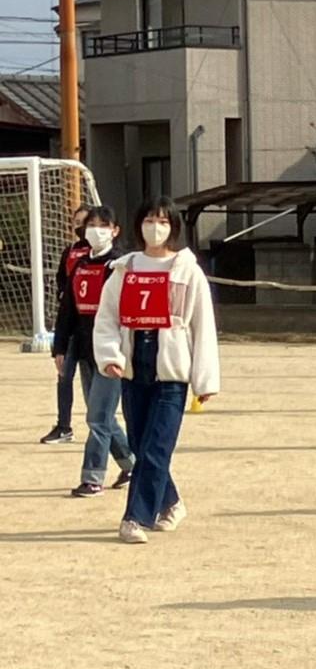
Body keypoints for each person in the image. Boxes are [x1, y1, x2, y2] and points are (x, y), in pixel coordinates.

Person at [93, 197, 220, 544]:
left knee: (157, 445)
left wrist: (204, 379)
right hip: (136, 365)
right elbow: (106, 318)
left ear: (173, 226)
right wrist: (110, 356)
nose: (155, 227)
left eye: (162, 221)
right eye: (149, 220)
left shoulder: (187, 269)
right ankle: (171, 501)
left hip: (172, 369)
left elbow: (201, 326)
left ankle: (135, 517)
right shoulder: (124, 268)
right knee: (139, 442)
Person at [53, 206, 135, 497]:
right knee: (101, 416)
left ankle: (93, 477)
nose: (95, 230)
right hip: (86, 348)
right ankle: (131, 464)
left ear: (115, 231)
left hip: (112, 352)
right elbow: (68, 312)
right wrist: (60, 347)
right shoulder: (80, 264)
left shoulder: (121, 266)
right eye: (91, 224)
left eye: (103, 225)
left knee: (98, 418)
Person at [40, 205, 91, 444]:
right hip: (70, 327)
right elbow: (62, 279)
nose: (79, 227)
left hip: (89, 328)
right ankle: (64, 426)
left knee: (92, 383)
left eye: (84, 222)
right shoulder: (69, 250)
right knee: (64, 376)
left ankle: (100, 426)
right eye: (76, 223)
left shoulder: (100, 254)